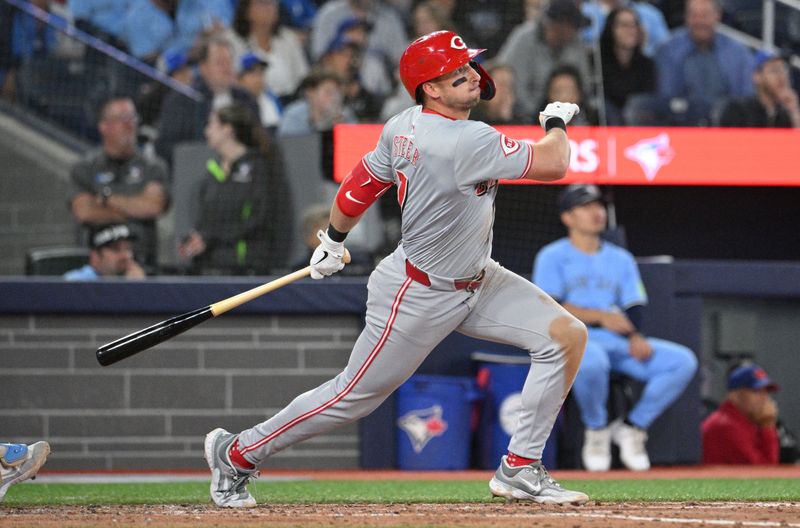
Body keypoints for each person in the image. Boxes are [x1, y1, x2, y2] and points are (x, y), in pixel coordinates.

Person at [203, 29, 589, 508]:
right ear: (431, 87)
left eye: (469, 66)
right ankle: (238, 453)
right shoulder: (464, 139)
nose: (472, 75)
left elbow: (361, 183)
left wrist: (333, 237)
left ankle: (520, 467)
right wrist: (555, 121)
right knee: (351, 397)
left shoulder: (403, 124)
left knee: (565, 337)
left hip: (476, 279)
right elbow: (554, 163)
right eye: (457, 72)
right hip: (418, 292)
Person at [533, 184, 698, 472]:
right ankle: (596, 430)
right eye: (585, 207)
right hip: (575, 341)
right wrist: (599, 316)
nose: (596, 212)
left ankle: (633, 427)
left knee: (682, 361)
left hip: (617, 342)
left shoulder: (620, 258)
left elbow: (634, 306)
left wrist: (636, 336)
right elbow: (550, 306)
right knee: (592, 359)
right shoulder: (552, 255)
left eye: (598, 206)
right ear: (568, 217)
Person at [178, 103, 292, 276]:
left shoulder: (259, 168)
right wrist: (196, 240)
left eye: (211, 125)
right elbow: (208, 220)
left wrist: (211, 237)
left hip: (246, 269)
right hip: (211, 267)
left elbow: (258, 219)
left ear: (228, 130)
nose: (206, 131)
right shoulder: (212, 171)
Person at [68, 95, 170, 271]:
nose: (130, 125)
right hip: (95, 269)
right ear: (103, 126)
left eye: (132, 118)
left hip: (143, 266)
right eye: (122, 119)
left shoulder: (153, 165)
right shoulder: (84, 167)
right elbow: (84, 212)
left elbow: (152, 207)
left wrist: (106, 199)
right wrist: (134, 209)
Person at [155, 36, 260, 166]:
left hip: (244, 169)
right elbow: (165, 147)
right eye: (220, 63)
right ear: (203, 68)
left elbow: (258, 139)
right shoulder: (183, 101)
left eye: (229, 62)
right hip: (199, 171)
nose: (227, 68)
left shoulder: (245, 99)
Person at [652, 0, 754, 126]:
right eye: (694, 15)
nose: (699, 22)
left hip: (727, 128)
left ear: (718, 15)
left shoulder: (738, 52)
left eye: (705, 15)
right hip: (682, 126)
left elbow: (745, 98)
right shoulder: (668, 49)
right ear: (686, 17)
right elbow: (666, 97)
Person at [496, 0, 592, 118]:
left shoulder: (575, 42)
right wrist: (536, 116)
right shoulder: (524, 38)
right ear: (557, 25)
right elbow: (512, 82)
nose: (575, 32)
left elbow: (584, 84)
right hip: (523, 115)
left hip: (568, 116)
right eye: (572, 26)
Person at [701, 363, 780, 465]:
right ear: (735, 396)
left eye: (765, 392)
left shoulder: (745, 420)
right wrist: (768, 426)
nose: (764, 398)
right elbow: (764, 473)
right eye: (756, 391)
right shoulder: (726, 425)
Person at [230, 0, 310, 101]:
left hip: (291, 101)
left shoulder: (289, 38)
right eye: (262, 3)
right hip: (250, 102)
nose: (269, 8)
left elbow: (303, 77)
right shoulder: (232, 41)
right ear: (246, 9)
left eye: (272, 3)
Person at [598, 6, 656, 125]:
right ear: (611, 29)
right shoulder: (598, 63)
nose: (631, 30)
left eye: (634, 25)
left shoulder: (647, 65)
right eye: (624, 25)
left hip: (639, 126)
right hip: (607, 124)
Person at [717, 50, 800, 128]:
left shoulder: (786, 114)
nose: (782, 76)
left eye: (784, 70)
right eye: (774, 70)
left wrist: (794, 112)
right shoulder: (737, 109)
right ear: (757, 76)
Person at [64, 224, 146, 280]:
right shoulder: (75, 283)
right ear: (95, 257)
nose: (126, 256)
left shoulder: (138, 280)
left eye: (128, 249)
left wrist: (138, 288)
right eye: (116, 249)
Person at [237, 52, 283, 131]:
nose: (258, 79)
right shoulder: (234, 101)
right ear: (240, 79)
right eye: (253, 74)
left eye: (261, 73)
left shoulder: (272, 98)